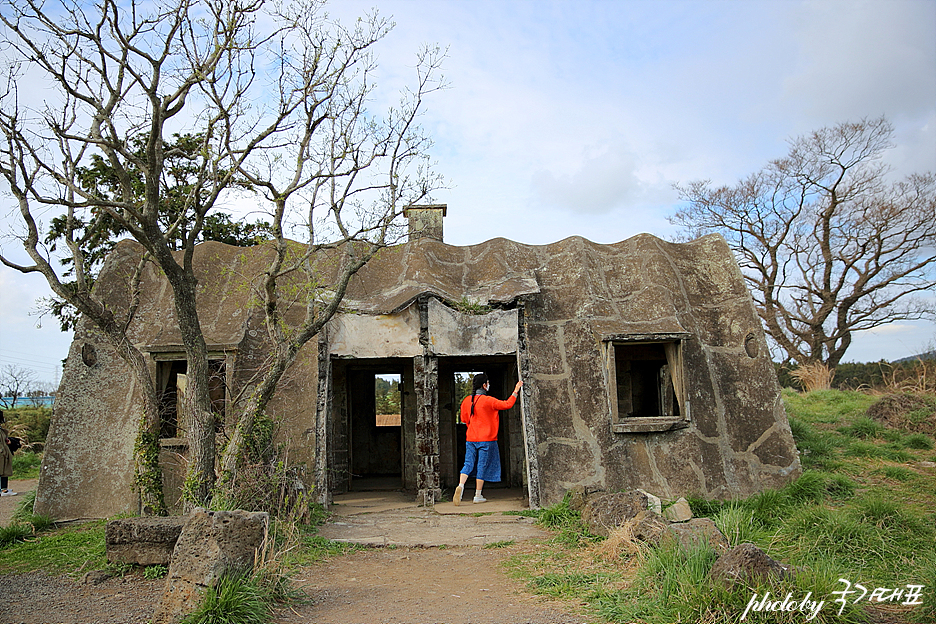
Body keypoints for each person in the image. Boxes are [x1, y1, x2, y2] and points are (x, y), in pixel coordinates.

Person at [453, 374, 523, 505]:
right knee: (482, 465)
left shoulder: (467, 401)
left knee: (468, 463)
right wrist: (516, 390)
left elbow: (463, 419)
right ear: (484, 385)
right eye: (488, 383)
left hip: (471, 438)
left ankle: (461, 486)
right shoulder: (489, 400)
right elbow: (507, 404)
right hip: (487, 439)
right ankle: (477, 495)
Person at [1, 410, 17, 497]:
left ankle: (3, 489)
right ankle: (3, 490)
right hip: (2, 454)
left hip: (3, 452)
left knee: (3, 470)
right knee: (3, 470)